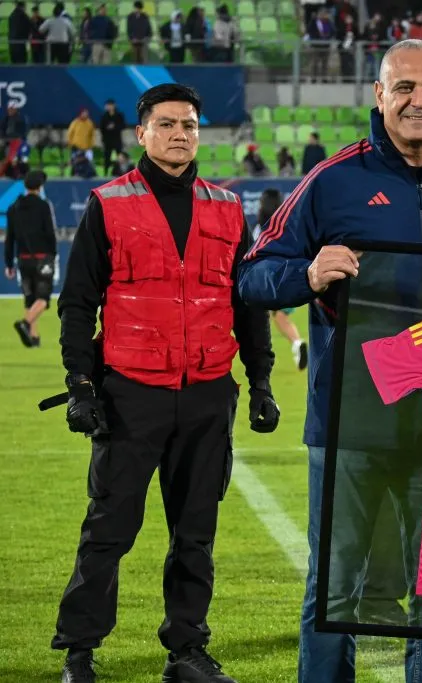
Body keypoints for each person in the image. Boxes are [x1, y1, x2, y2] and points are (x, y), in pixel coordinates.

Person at [236, 39, 422, 683]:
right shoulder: (333, 179)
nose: (418, 101)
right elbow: (253, 277)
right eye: (404, 87)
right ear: (378, 95)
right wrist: (308, 274)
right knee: (335, 594)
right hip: (349, 429)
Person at [52, 83, 279, 683]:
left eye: (190, 125)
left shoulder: (228, 207)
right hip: (130, 392)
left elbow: (248, 303)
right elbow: (77, 302)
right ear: (142, 132)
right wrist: (81, 384)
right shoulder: (110, 202)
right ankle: (80, 652)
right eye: (168, 124)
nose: (180, 134)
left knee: (195, 534)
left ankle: (187, 652)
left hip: (207, 391)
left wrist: (260, 381)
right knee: (109, 529)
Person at [252, 188, 308, 370]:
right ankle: (297, 343)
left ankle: (262, 359)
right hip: (291, 273)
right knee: (280, 316)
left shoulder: (260, 227)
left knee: (262, 318)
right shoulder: (289, 221)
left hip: (268, 276)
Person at [4, 169, 56, 347]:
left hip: (23, 259)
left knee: (30, 298)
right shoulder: (43, 205)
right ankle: (25, 324)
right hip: (42, 258)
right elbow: (50, 232)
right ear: (40, 186)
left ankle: (33, 337)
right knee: (43, 298)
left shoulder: (13, 208)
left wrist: (9, 263)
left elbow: (9, 238)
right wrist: (53, 254)